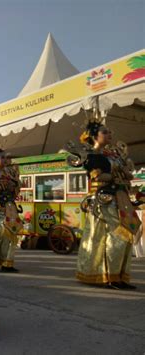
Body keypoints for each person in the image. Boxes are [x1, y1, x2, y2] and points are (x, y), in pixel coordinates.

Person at [66, 115, 141, 289]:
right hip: (105, 202)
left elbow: (129, 175)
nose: (109, 134)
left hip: (122, 199)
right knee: (118, 236)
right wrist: (118, 175)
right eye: (104, 132)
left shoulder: (114, 154)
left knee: (127, 236)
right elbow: (98, 177)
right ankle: (111, 277)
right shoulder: (91, 156)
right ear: (94, 136)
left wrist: (121, 175)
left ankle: (120, 276)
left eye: (109, 131)